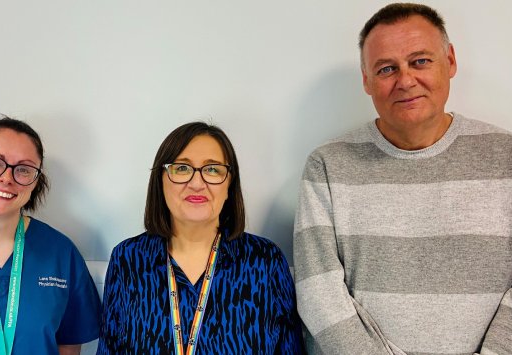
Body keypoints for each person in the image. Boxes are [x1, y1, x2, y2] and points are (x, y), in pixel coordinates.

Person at [293, 3, 512, 355]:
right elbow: (317, 292)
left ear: (450, 61)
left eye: (420, 61)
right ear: (366, 80)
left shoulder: (506, 157)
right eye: (386, 69)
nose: (406, 80)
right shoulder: (328, 165)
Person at [98, 122, 304, 354]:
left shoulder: (265, 261)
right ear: (161, 180)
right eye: (182, 169)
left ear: (229, 184)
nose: (197, 183)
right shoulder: (128, 259)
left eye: (213, 170)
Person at [0, 115, 101, 355]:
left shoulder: (61, 254)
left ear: (35, 181)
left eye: (23, 169)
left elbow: (68, 345)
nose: (6, 178)